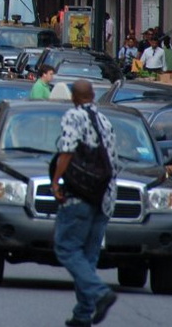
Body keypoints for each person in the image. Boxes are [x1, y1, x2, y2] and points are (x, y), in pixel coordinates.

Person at [50, 80, 119, 327]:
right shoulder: (105, 121)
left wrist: (56, 181)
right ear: (92, 96)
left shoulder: (74, 116)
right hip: (105, 196)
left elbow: (67, 150)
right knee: (88, 256)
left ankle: (99, 293)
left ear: (74, 98)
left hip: (80, 193)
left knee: (66, 247)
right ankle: (83, 313)